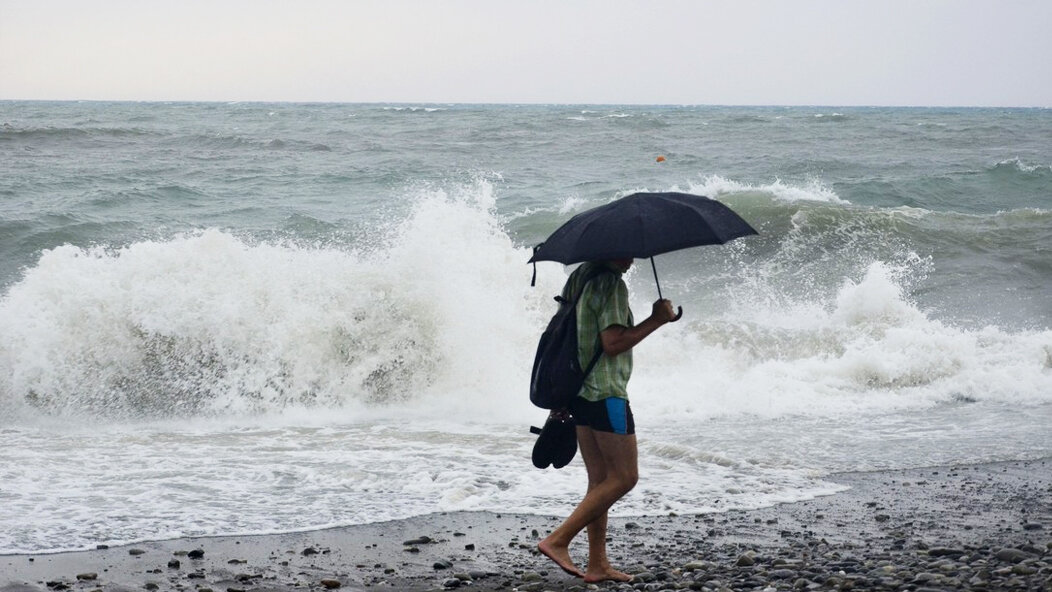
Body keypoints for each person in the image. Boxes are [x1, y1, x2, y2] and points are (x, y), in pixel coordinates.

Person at [538, 258, 677, 583]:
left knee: (600, 480)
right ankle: (558, 540)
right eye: (627, 252)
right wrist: (656, 319)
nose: (631, 259)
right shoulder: (611, 284)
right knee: (625, 476)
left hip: (579, 389)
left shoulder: (581, 276)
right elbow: (612, 343)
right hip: (605, 392)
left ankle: (597, 564)